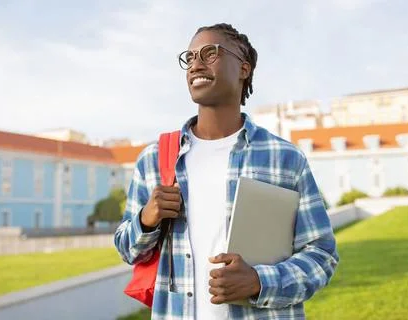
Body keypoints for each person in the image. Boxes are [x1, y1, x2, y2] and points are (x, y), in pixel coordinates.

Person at [114, 23, 339, 319]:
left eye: (210, 53)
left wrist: (260, 281)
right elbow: (127, 249)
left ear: (243, 69)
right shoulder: (154, 159)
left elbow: (321, 254)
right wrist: (146, 218)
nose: (196, 64)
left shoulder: (285, 158)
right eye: (190, 57)